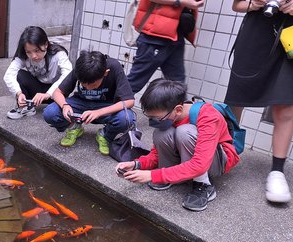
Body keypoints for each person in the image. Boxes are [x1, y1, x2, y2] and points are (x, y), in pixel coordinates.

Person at [116, 79, 240, 211]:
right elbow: (156, 154)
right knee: (161, 133)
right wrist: (136, 164)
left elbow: (200, 164)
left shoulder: (208, 117)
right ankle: (174, 177)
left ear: (178, 110)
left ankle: (203, 185)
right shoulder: (171, 115)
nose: (155, 122)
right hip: (193, 157)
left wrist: (152, 175)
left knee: (185, 132)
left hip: (217, 161)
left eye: (158, 118)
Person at [225, 0, 293, 203]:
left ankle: (277, 171)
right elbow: (237, 5)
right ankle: (225, 150)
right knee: (237, 96)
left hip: (290, 36)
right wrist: (254, 3)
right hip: (256, 32)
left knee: (286, 103)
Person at [42, 50, 135, 152]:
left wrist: (99, 112)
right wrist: (64, 105)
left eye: (93, 84)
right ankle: (74, 127)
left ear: (105, 73)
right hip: (80, 103)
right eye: (83, 84)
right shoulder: (81, 68)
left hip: (105, 106)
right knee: (50, 113)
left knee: (127, 118)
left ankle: (105, 135)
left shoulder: (114, 67)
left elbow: (129, 101)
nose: (88, 88)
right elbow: (57, 92)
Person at [127, 0, 203, 94]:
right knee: (133, 83)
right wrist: (181, 2)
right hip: (154, 35)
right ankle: (112, 106)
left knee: (177, 87)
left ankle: (179, 107)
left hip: (176, 35)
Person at [3, 26, 72, 119]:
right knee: (19, 74)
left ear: (46, 44)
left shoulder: (58, 55)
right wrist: (18, 93)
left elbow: (68, 75)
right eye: (29, 52)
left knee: (53, 112)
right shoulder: (23, 55)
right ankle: (27, 107)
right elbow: (9, 75)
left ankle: (59, 105)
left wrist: (48, 94)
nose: (34, 56)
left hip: (57, 93)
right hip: (37, 92)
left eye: (37, 50)